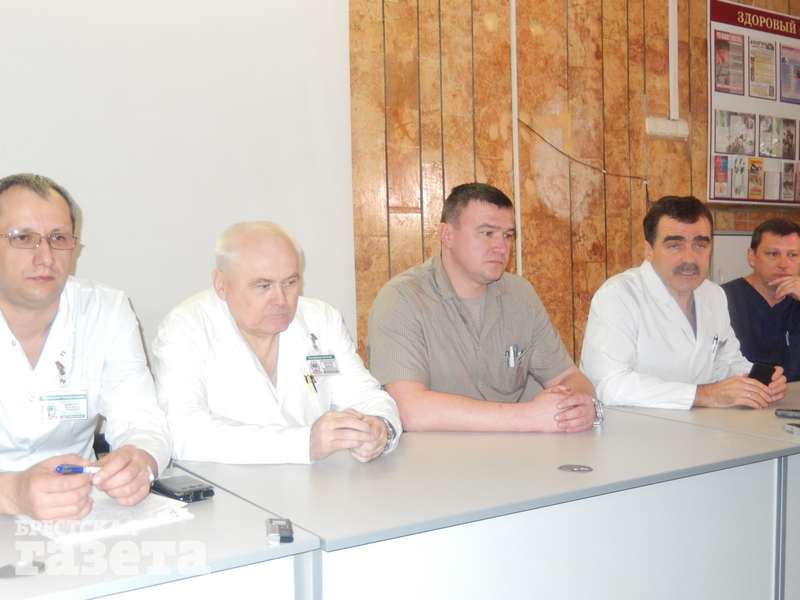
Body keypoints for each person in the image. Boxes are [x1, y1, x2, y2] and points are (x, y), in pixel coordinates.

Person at [151, 222, 401, 464]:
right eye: (263, 286)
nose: (281, 300)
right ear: (221, 284)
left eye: (290, 283)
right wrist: (304, 444)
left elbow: (365, 395)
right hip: (226, 485)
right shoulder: (185, 327)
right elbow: (183, 432)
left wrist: (380, 428)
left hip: (318, 484)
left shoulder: (321, 319)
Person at [0, 173, 170, 520]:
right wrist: (12, 493)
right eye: (23, 238)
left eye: (58, 238)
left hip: (83, 512)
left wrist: (140, 462)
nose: (45, 257)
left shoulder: (105, 310)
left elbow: (142, 420)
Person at [366, 183, 600, 433]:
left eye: (507, 235)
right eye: (487, 233)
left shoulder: (520, 294)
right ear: (447, 235)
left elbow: (569, 378)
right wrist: (529, 417)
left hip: (518, 450)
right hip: (436, 454)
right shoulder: (402, 298)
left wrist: (578, 406)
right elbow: (410, 410)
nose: (501, 247)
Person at [580, 195, 787, 409]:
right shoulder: (618, 296)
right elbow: (608, 385)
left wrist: (758, 380)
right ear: (649, 250)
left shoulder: (713, 295)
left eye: (700, 245)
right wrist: (703, 395)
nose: (690, 258)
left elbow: (727, 362)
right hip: (632, 426)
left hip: (698, 423)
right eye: (675, 246)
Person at [722, 218, 800, 382]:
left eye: (793, 255)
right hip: (744, 393)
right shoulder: (723, 299)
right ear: (752, 257)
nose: (783, 264)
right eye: (773, 254)